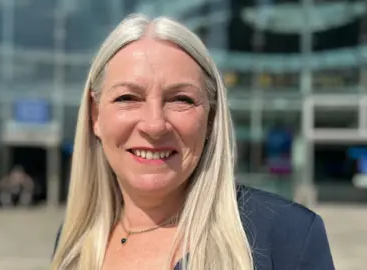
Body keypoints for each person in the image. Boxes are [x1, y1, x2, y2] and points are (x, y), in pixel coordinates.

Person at [51, 14, 334, 270]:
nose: (154, 124)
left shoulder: (288, 237)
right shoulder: (74, 242)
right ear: (95, 115)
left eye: (180, 99)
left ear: (211, 118)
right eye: (128, 98)